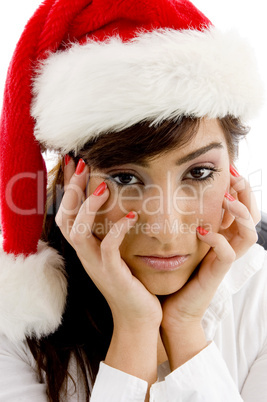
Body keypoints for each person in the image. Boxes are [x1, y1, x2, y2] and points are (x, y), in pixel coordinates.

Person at [0, 0, 266, 401]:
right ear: (76, 180)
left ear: (233, 169)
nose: (165, 229)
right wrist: (135, 328)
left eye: (198, 173)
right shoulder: (14, 325)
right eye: (125, 178)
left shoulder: (260, 298)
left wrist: (185, 328)